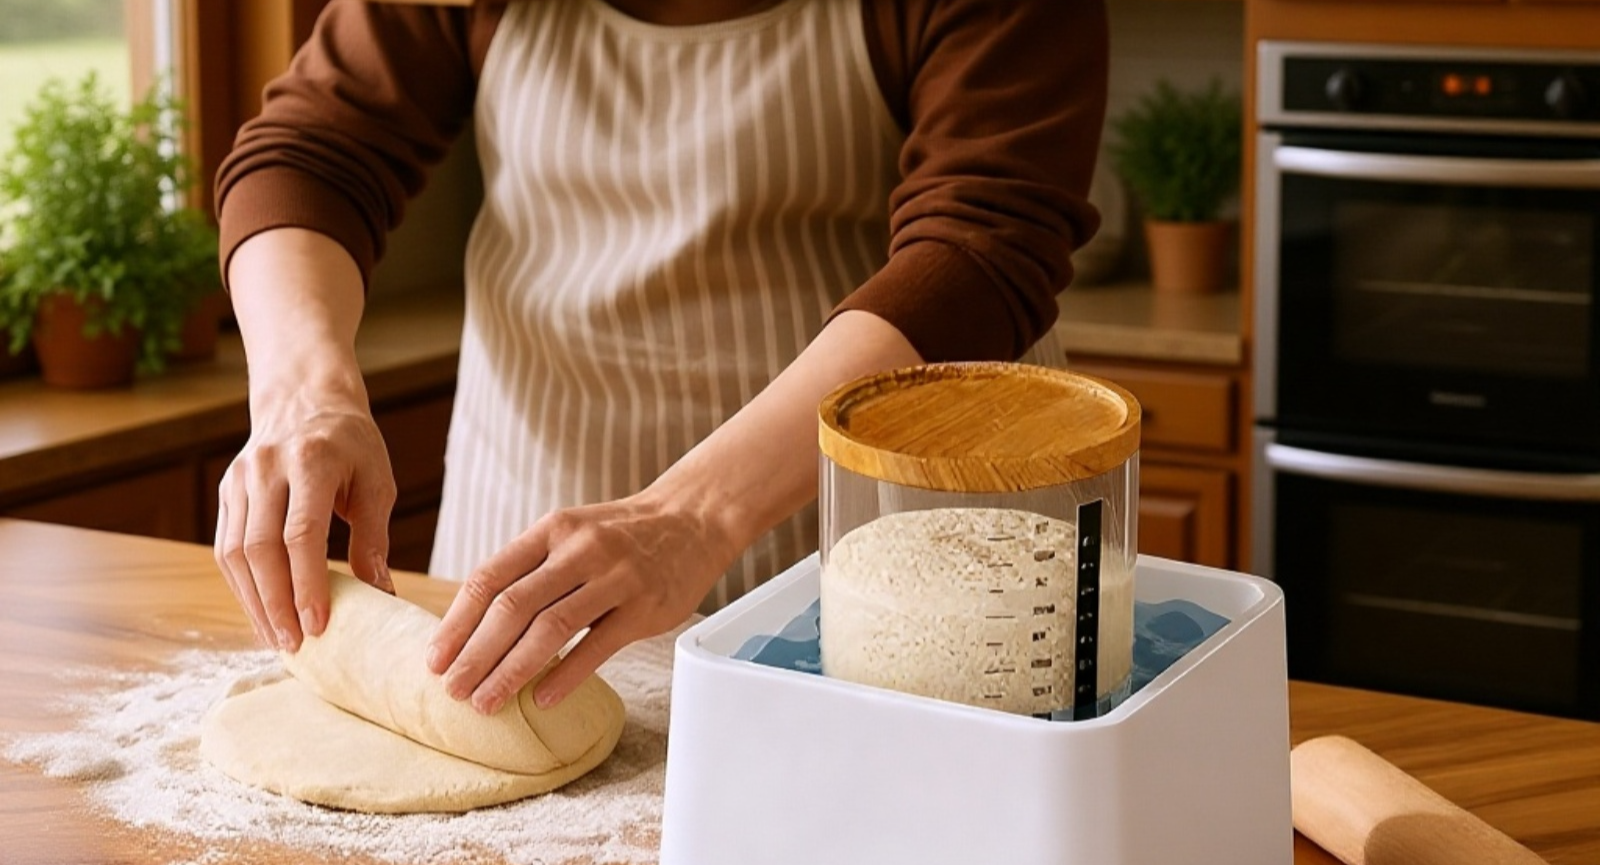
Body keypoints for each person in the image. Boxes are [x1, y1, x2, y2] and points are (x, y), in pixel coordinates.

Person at [213, 0, 1108, 716]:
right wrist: (305, 393)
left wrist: (694, 515)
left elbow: (980, 252)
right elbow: (313, 156)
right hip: (526, 565)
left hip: (887, 581)